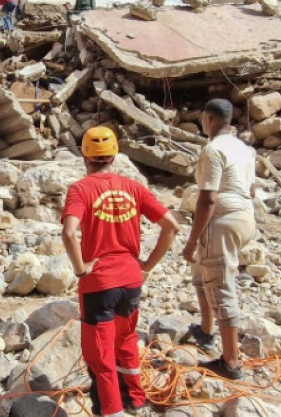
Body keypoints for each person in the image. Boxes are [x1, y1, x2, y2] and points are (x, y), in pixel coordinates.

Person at [62, 126, 180, 417]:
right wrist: (147, 266)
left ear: (84, 155)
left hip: (99, 284)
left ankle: (111, 410)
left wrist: (80, 270)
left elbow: (68, 233)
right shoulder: (134, 187)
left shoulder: (81, 189)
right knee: (126, 341)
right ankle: (136, 400)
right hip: (131, 280)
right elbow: (172, 226)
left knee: (99, 354)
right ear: (115, 154)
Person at [181, 99, 256, 380]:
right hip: (244, 216)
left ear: (207, 119)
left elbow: (208, 198)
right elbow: (251, 188)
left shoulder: (212, 150)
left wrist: (191, 240)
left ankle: (230, 362)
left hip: (222, 219)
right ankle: (206, 329)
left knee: (220, 284)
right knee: (202, 271)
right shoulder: (245, 149)